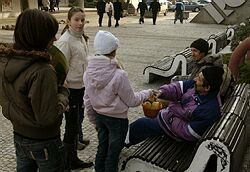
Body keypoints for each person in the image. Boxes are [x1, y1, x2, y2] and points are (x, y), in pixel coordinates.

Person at [0, 9, 68, 172]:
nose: (55, 39)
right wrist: (63, 94)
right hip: (44, 141)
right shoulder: (43, 70)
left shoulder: (5, 61)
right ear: (39, 36)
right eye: (51, 34)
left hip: (19, 136)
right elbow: (46, 117)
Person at [83, 30, 153, 172]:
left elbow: (88, 99)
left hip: (100, 117)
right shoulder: (119, 74)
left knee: (102, 148)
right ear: (114, 50)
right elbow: (132, 101)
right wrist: (148, 92)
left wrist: (93, 120)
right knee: (113, 154)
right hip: (117, 120)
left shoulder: (88, 72)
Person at [126, 66, 224, 146]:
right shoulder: (198, 88)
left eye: (198, 79)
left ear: (207, 87)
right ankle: (121, 140)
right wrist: (162, 92)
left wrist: (170, 115)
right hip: (172, 120)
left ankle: (117, 144)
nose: (195, 80)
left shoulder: (209, 109)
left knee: (142, 124)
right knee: (145, 122)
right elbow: (177, 87)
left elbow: (189, 133)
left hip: (178, 135)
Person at [54, 7, 93, 170]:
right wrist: (64, 93)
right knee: (71, 126)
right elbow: (60, 70)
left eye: (82, 20)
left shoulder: (80, 38)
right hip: (71, 90)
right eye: (76, 19)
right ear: (68, 20)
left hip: (81, 87)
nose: (80, 23)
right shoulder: (65, 41)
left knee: (76, 124)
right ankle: (67, 162)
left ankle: (73, 158)